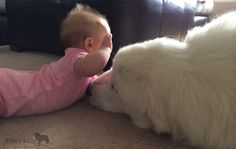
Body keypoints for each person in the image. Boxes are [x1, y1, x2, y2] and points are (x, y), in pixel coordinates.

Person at [0, 4, 112, 117]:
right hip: (10, 89)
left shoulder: (81, 67)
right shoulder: (76, 58)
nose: (110, 44)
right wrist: (106, 49)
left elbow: (96, 85)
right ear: (89, 44)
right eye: (106, 40)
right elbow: (90, 67)